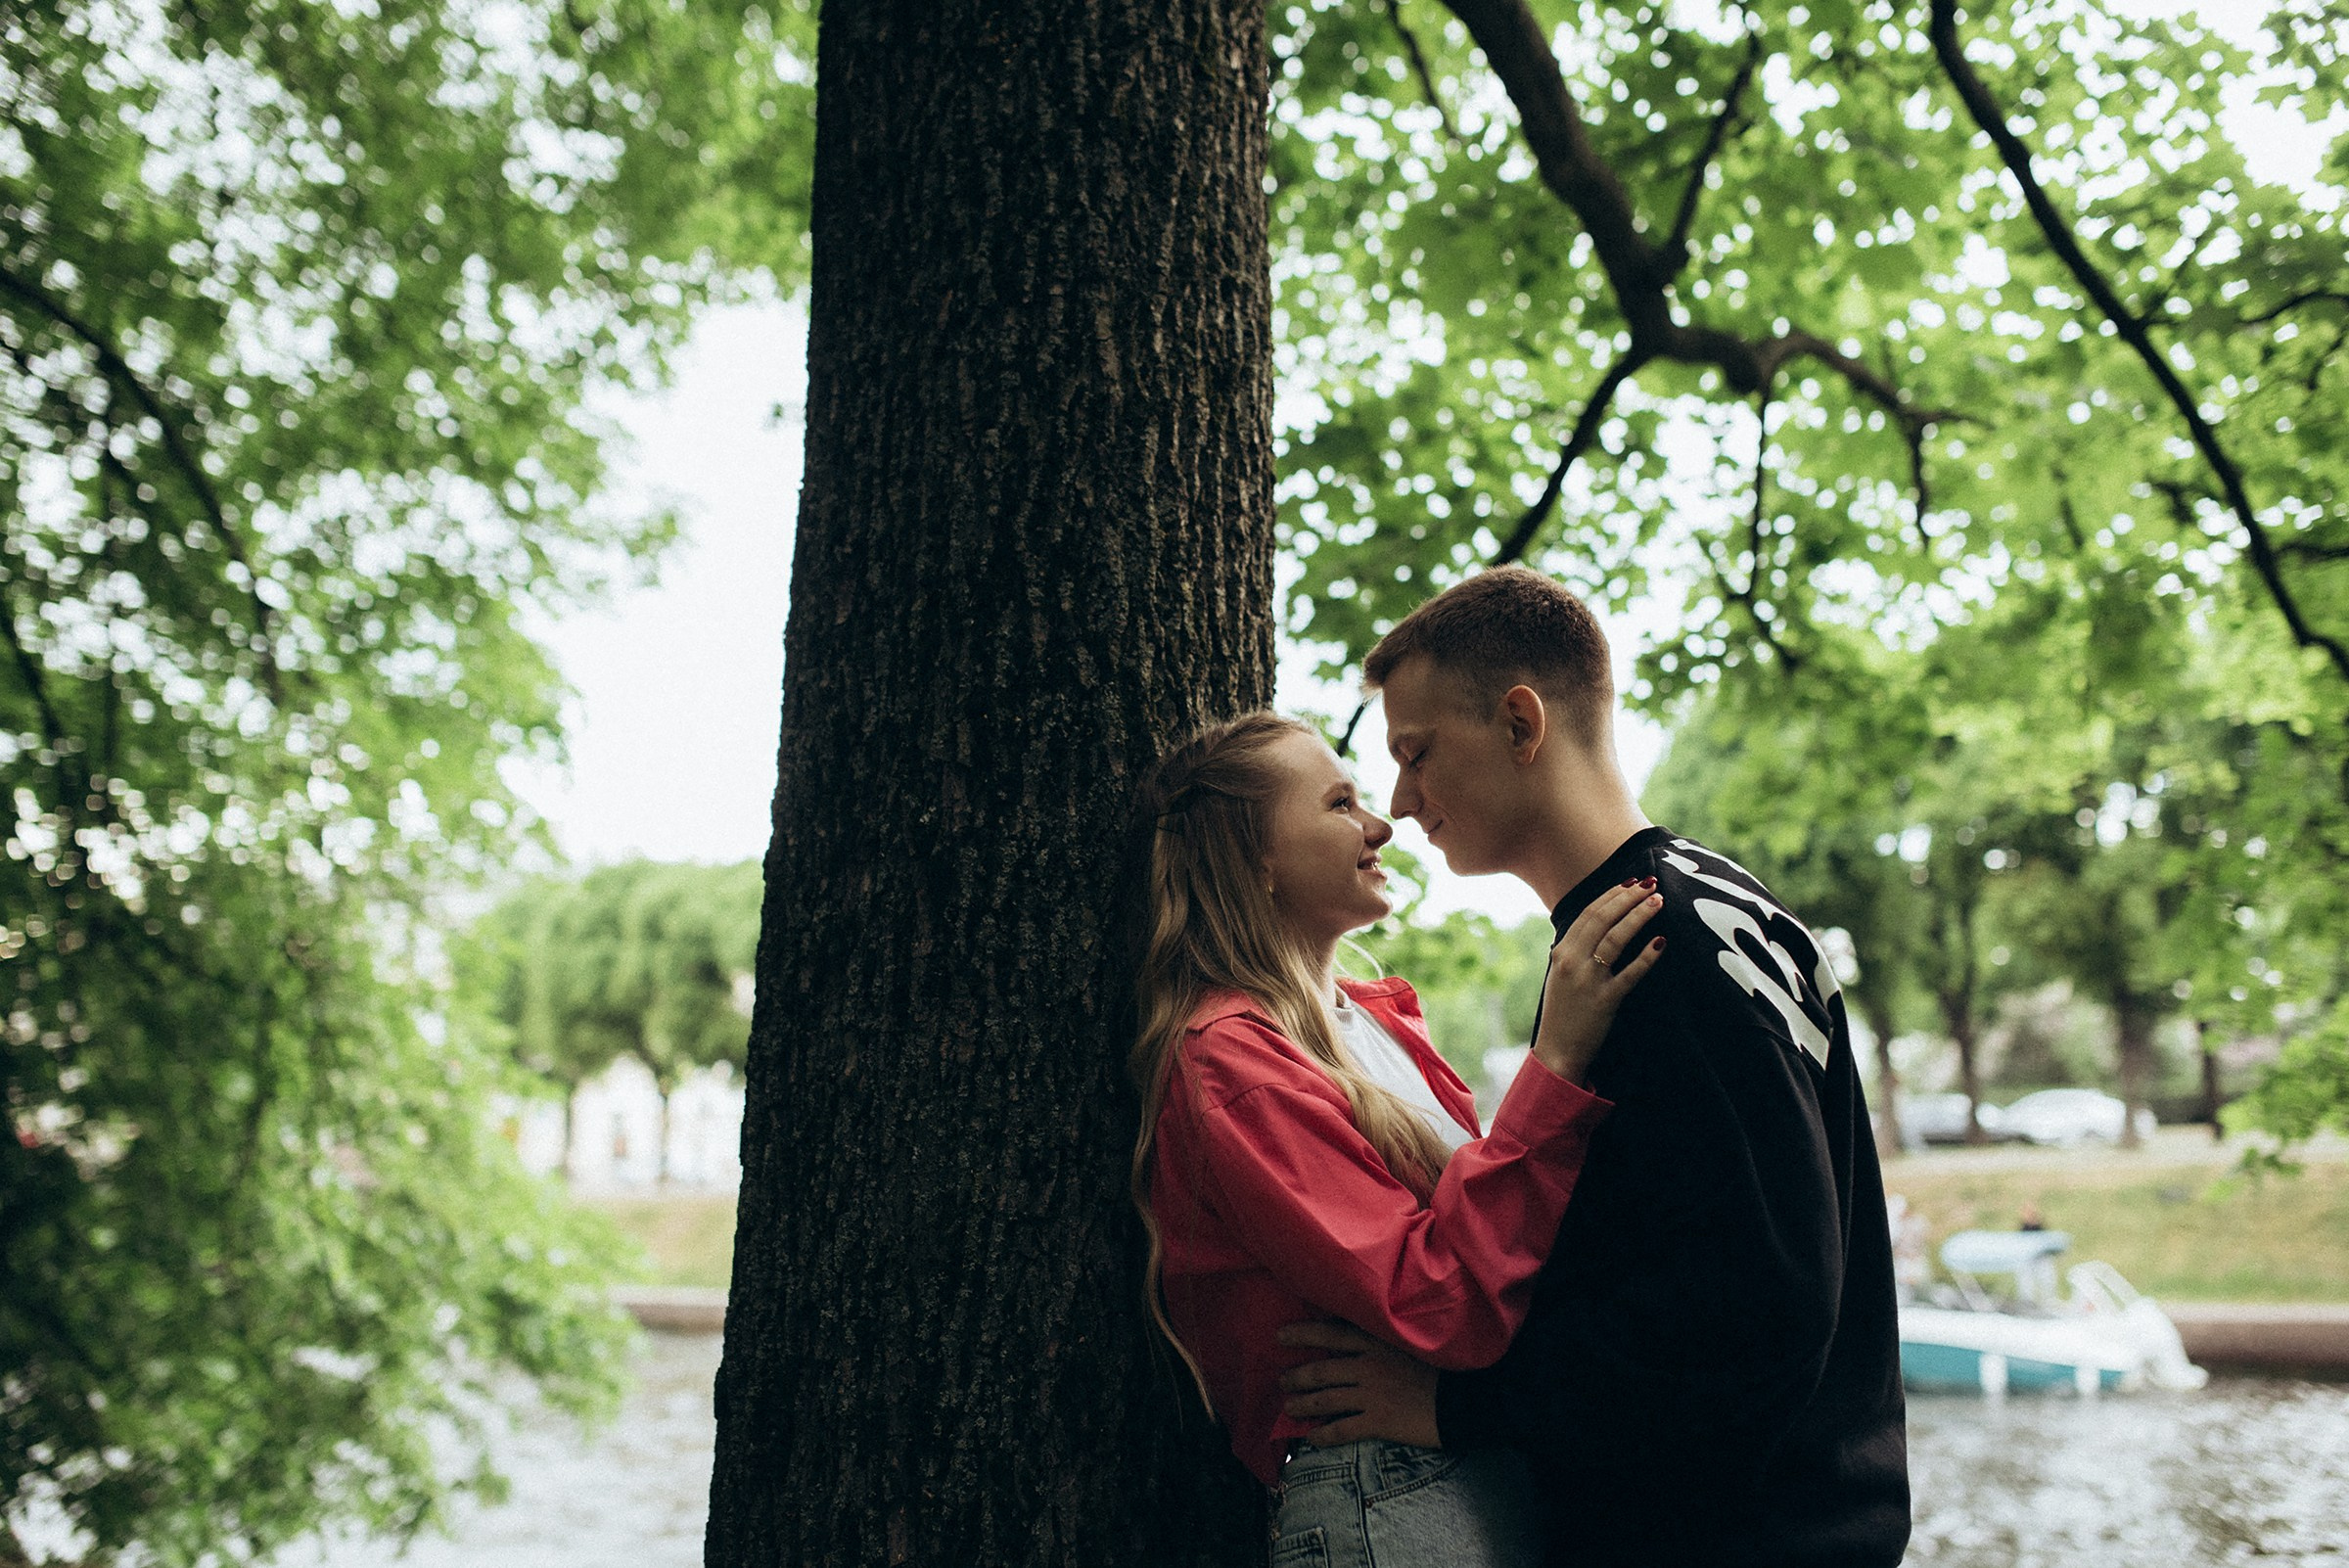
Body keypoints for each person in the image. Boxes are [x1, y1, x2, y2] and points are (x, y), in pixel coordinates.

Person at [1275, 567, 1911, 1567]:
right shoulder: (1725, 912)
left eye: (1418, 752)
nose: (1400, 801)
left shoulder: (1654, 949)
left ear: (1520, 723)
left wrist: (1460, 1406)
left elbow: (1761, 1311)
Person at [1128, 711, 1666, 1568]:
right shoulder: (1229, 1061)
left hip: (1469, 1462)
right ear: (1255, 858)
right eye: (1340, 803)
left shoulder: (1369, 1024)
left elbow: (1503, 1240)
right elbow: (1439, 1297)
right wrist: (1555, 1062)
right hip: (1379, 1487)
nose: (1381, 821)